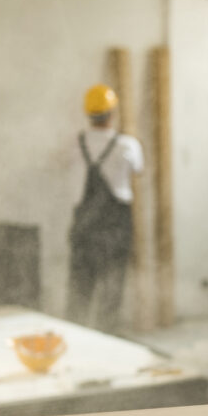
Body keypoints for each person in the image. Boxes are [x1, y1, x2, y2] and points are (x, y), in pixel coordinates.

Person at [66, 84, 143, 333]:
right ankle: (106, 338)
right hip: (114, 230)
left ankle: (75, 337)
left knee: (80, 288)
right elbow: (139, 170)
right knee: (111, 290)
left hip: (84, 228)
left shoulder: (76, 144)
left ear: (88, 113)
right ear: (112, 113)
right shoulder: (127, 145)